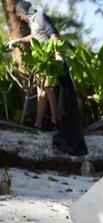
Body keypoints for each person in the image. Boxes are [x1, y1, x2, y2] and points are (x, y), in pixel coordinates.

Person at [7, 0, 60, 131]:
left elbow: (55, 36)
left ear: (23, 11)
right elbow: (35, 36)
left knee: (50, 90)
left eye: (20, 14)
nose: (19, 17)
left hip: (47, 60)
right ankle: (38, 124)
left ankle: (55, 122)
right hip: (39, 62)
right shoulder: (33, 20)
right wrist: (18, 40)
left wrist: (57, 56)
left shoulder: (40, 17)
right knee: (41, 92)